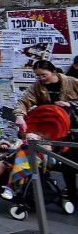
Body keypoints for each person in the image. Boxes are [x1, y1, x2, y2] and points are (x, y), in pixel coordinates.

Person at [14, 59, 78, 202]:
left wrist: (71, 104)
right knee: (65, 164)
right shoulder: (37, 87)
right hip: (53, 131)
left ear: (54, 72)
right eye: (38, 76)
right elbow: (23, 102)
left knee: (73, 161)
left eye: (44, 75)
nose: (41, 79)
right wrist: (19, 116)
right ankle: (70, 195)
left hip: (74, 129)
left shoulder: (72, 82)